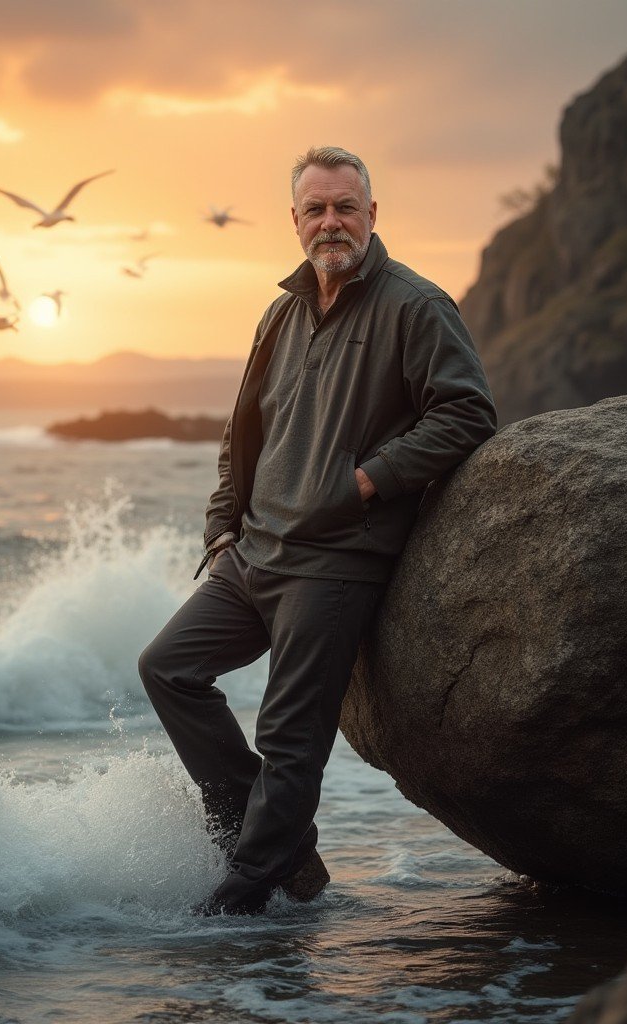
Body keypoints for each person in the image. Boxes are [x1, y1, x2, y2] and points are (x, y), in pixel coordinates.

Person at [139, 146, 496, 915]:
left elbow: (467, 412)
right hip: (253, 552)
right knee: (167, 668)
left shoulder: (415, 304)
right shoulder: (282, 311)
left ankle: (242, 896)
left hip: (337, 558)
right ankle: (285, 856)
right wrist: (220, 527)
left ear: (373, 213)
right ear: (294, 221)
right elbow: (244, 433)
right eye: (315, 209)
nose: (330, 221)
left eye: (345, 206)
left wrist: (364, 481)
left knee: (289, 733)